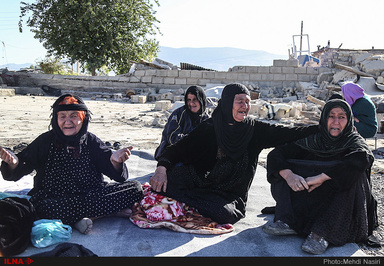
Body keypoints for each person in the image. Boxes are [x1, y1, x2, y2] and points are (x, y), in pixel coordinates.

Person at [149, 83, 319, 224]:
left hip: (229, 194)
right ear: (228, 102)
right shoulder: (210, 127)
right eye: (239, 101)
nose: (245, 106)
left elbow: (290, 133)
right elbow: (179, 149)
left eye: (247, 102)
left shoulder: (255, 130)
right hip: (202, 180)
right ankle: (194, 201)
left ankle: (186, 202)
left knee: (225, 214)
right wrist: (161, 169)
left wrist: (323, 127)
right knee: (167, 180)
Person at [0, 94, 143, 234]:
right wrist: (14, 163)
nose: (68, 122)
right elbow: (22, 166)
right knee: (41, 208)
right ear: (56, 120)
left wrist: (115, 162)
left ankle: (81, 217)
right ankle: (102, 213)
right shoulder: (45, 141)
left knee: (135, 188)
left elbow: (116, 174)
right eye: (63, 116)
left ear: (83, 119)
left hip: (90, 194)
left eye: (74, 116)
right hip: (54, 199)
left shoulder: (91, 141)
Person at [263, 99, 378, 255]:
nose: (336, 121)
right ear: (324, 118)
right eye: (331, 116)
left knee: (354, 175)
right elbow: (276, 154)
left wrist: (321, 178)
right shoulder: (313, 138)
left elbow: (363, 157)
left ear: (349, 120)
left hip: (340, 207)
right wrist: (289, 175)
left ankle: (322, 233)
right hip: (310, 195)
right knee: (288, 164)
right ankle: (289, 221)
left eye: (342, 117)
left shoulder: (353, 140)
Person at [154, 85, 209, 160]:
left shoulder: (206, 118)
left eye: (195, 99)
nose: (191, 103)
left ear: (201, 100)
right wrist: (193, 139)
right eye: (189, 100)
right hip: (173, 153)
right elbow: (172, 138)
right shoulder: (179, 114)